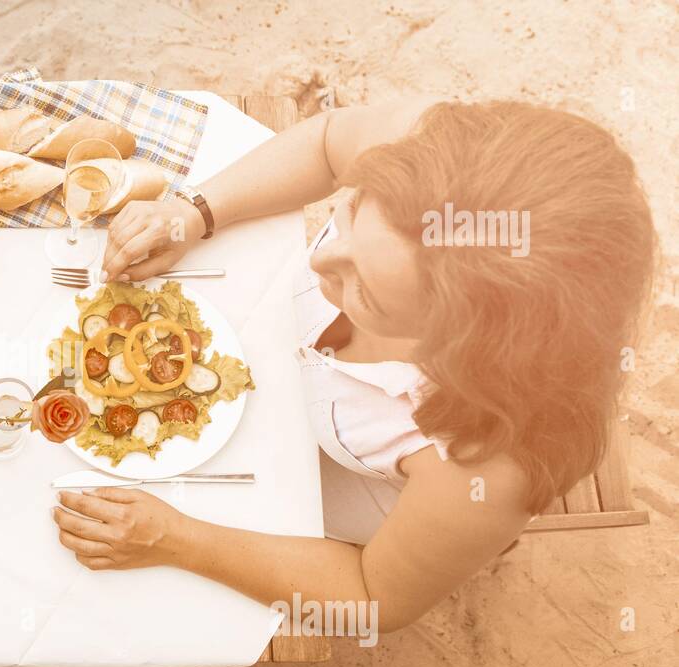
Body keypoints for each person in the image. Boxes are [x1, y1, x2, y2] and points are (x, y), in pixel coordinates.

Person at [53, 98, 657, 634]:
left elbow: (373, 599)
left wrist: (179, 540)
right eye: (349, 218)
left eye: (365, 292)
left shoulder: (490, 466)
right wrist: (195, 212)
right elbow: (326, 141)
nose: (322, 263)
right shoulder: (444, 168)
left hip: (369, 494)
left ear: (459, 350)